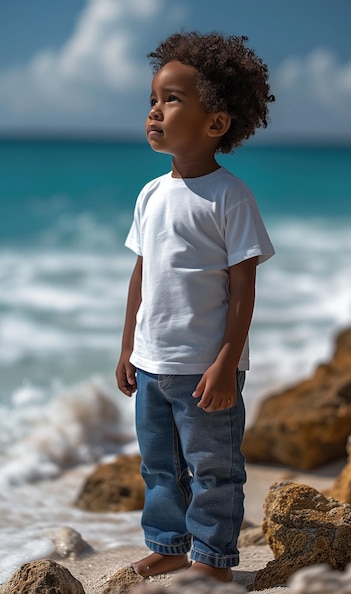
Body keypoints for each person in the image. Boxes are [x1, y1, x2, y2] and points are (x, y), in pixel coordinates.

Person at [116, 31, 275, 584]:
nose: (155, 111)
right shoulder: (151, 194)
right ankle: (170, 544)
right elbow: (143, 273)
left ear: (216, 124)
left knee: (214, 469)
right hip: (153, 360)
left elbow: (243, 285)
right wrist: (126, 347)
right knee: (159, 466)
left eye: (172, 99)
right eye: (153, 101)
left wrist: (227, 361)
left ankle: (212, 560)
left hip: (205, 367)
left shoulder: (229, 196)